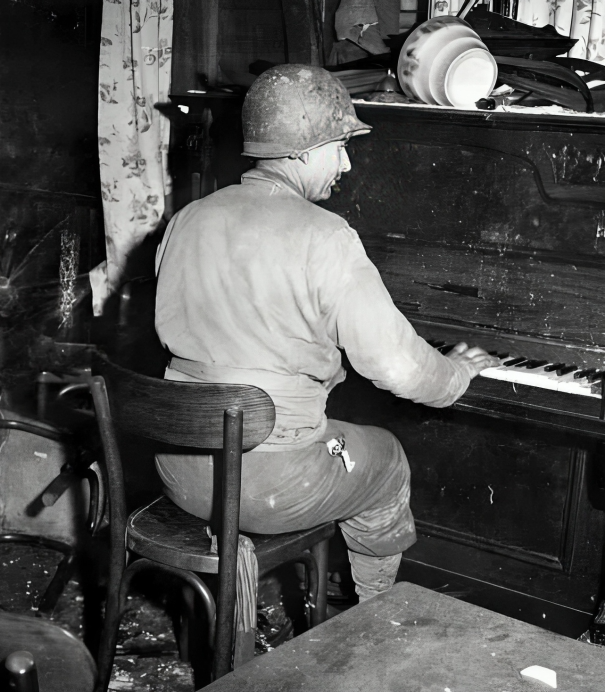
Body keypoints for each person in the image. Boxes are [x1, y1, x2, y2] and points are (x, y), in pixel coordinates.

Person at [153, 65, 498, 601]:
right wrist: (457, 373)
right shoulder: (326, 235)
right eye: (339, 144)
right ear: (301, 150)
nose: (345, 161)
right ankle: (373, 618)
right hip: (269, 485)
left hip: (180, 468)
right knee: (387, 459)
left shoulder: (187, 219)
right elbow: (398, 367)